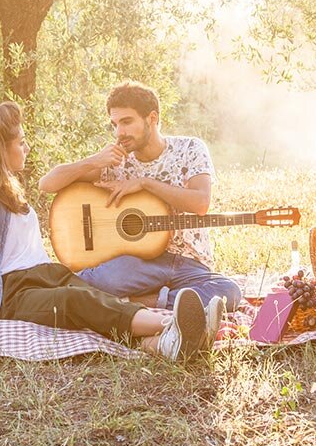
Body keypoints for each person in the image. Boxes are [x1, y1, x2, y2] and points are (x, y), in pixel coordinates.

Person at [0, 98, 222, 360]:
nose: (27, 148)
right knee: (76, 301)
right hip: (10, 291)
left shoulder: (4, 183)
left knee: (100, 302)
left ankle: (162, 344)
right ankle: (176, 325)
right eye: (21, 142)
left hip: (44, 274)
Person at [37, 81, 244, 314]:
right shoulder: (116, 161)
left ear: (152, 118)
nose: (119, 132)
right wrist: (94, 161)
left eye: (126, 122)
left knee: (229, 292)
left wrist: (145, 183)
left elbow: (200, 203)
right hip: (136, 266)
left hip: (188, 262)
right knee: (92, 281)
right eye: (115, 124)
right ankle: (171, 300)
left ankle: (144, 301)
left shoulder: (190, 149)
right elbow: (47, 184)